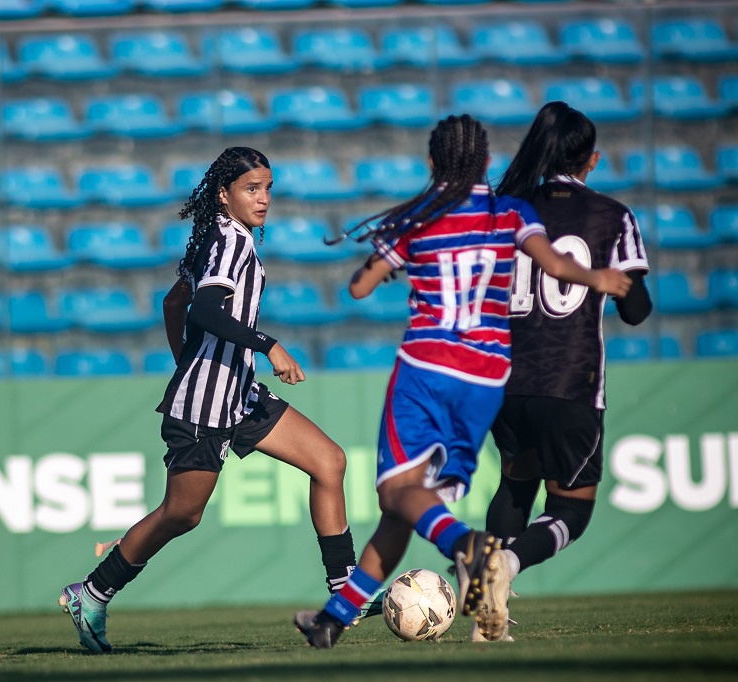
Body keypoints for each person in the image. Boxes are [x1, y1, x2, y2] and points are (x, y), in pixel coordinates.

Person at [293, 115, 632, 648]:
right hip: (487, 376)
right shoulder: (512, 212)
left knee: (397, 491)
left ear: (431, 164)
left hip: (427, 369)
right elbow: (555, 264)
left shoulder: (420, 218)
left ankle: (468, 546)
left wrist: (395, 257)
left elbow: (360, 288)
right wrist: (597, 278)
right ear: (488, 163)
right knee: (408, 502)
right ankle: (334, 618)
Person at [59, 147, 357, 654]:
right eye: (251, 189)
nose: (263, 199)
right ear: (225, 194)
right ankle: (90, 592)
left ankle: (347, 594)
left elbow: (173, 302)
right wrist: (268, 345)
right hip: (205, 406)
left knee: (329, 462)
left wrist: (189, 362)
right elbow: (201, 308)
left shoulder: (223, 239)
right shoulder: (231, 241)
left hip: (238, 395)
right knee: (181, 514)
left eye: (267, 189)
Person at [477, 102, 651, 640]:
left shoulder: (503, 210)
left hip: (504, 382)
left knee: (514, 484)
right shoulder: (610, 215)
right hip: (569, 382)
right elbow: (635, 309)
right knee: (572, 510)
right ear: (591, 160)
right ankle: (505, 567)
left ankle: (489, 618)